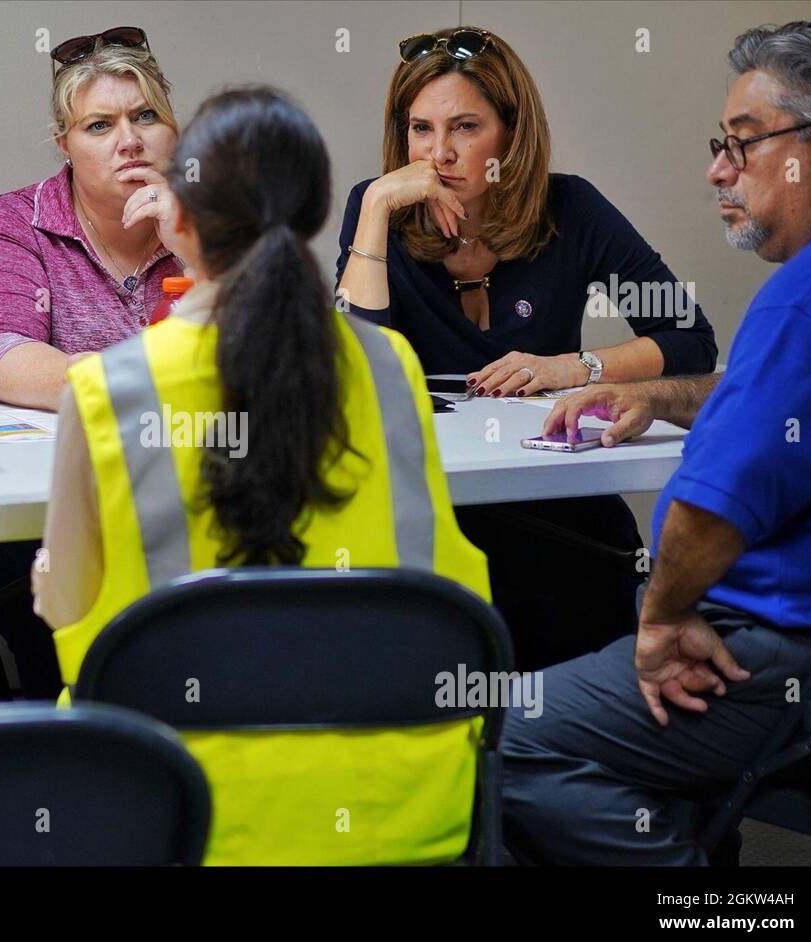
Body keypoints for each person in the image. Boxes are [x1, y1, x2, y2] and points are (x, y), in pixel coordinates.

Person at [32, 85, 491, 865]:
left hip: (177, 815)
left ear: (177, 213)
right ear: (312, 213)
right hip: (407, 813)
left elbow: (66, 605)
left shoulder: (110, 389)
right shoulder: (392, 369)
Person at [501, 20, 811, 866]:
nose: (717, 170)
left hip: (763, 648)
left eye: (744, 144)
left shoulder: (805, 298)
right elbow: (769, 408)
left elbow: (703, 513)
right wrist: (650, 394)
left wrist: (661, 620)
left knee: (497, 738)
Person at [336, 26, 720, 669]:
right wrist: (375, 207)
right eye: (420, 129)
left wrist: (571, 367)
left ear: (511, 133)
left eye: (464, 127)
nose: (439, 154)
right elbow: (349, 368)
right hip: (427, 525)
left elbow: (690, 339)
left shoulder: (570, 207)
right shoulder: (379, 215)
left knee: (564, 696)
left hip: (564, 529)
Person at [0, 27, 184, 696]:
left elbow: (277, 351)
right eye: (99, 125)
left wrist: (194, 247)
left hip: (195, 490)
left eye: (146, 117)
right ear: (65, 144)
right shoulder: (11, 222)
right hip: (46, 510)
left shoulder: (214, 223)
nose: (129, 140)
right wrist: (153, 384)